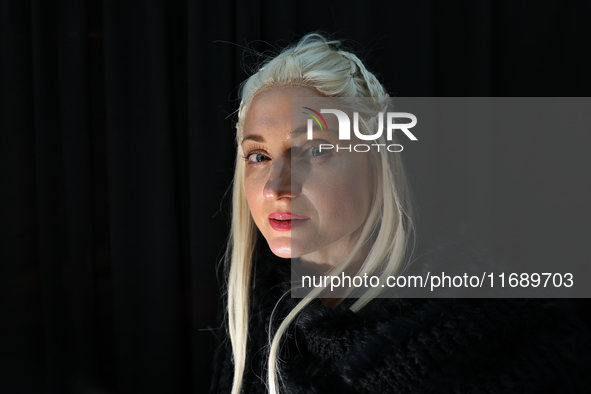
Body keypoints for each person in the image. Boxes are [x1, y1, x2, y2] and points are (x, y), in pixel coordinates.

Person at [210, 33, 590, 394]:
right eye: (259, 157)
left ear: (377, 166)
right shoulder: (254, 324)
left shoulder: (485, 324)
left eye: (316, 150)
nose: (276, 187)